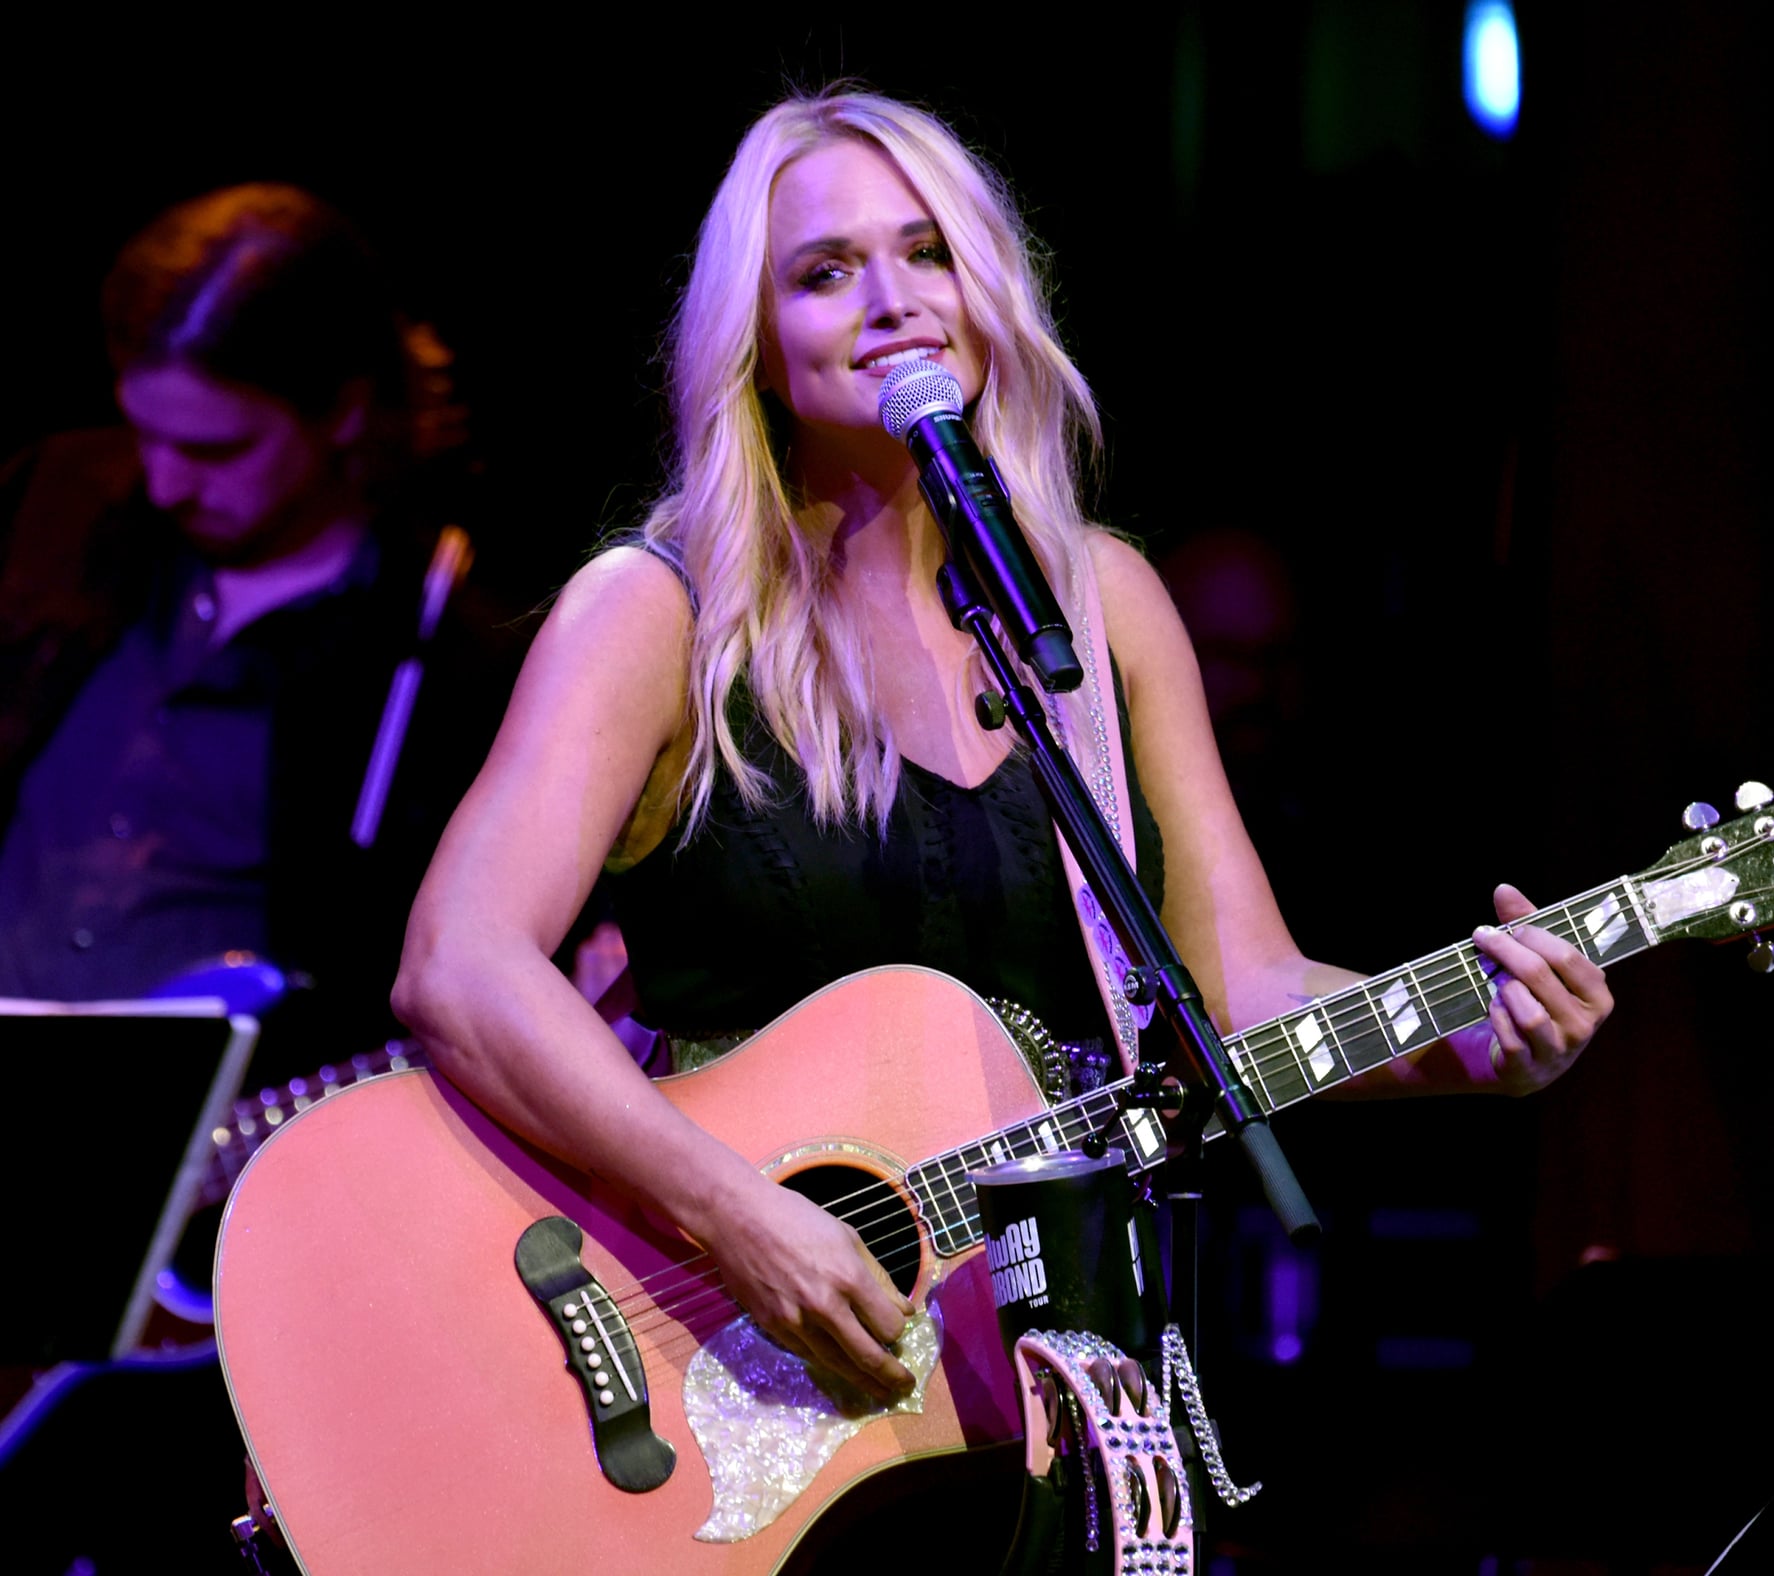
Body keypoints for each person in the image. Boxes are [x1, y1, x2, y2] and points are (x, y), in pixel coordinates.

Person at [392, 86, 1614, 1567]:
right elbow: (462, 965)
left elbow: (1235, 996)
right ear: (755, 344)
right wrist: (741, 1219)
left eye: (929, 254)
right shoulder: (658, 617)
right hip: (737, 1386)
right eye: (826, 271)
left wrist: (1475, 1047)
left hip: (1049, 1393)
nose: (896, 303)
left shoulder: (1100, 615)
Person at [0, 181, 528, 1083]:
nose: (165, 483)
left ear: (345, 410)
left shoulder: (448, 653)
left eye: (214, 451)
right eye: (145, 433)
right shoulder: (57, 498)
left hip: (218, 1148)